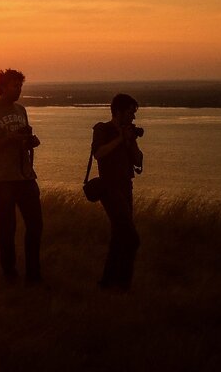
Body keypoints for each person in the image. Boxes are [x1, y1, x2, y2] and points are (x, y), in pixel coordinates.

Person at [0, 68, 42, 283]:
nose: (19, 90)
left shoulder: (21, 110)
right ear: (2, 87)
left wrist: (29, 141)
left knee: (36, 225)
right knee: (8, 227)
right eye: (15, 85)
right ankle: (10, 273)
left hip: (25, 176)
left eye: (20, 85)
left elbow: (21, 138)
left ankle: (33, 273)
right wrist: (9, 139)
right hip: (2, 179)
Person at [91, 93, 144, 292]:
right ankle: (123, 284)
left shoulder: (128, 133)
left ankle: (107, 281)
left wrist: (130, 141)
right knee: (131, 237)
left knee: (118, 235)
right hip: (109, 187)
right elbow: (98, 153)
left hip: (125, 186)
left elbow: (138, 161)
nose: (133, 117)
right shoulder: (102, 129)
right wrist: (120, 138)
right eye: (130, 112)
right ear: (119, 112)